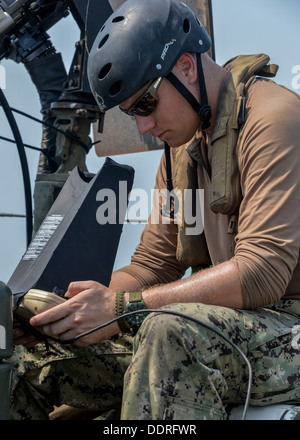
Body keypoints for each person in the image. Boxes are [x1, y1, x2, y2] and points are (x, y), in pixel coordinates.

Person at [10, 0, 300, 420]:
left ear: (185, 67)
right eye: (131, 114)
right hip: (240, 321)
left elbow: (262, 270)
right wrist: (67, 311)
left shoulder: (272, 121)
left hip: (288, 322)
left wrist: (122, 311)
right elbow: (153, 265)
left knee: (169, 334)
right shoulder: (184, 146)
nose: (143, 126)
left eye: (145, 104)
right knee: (30, 359)